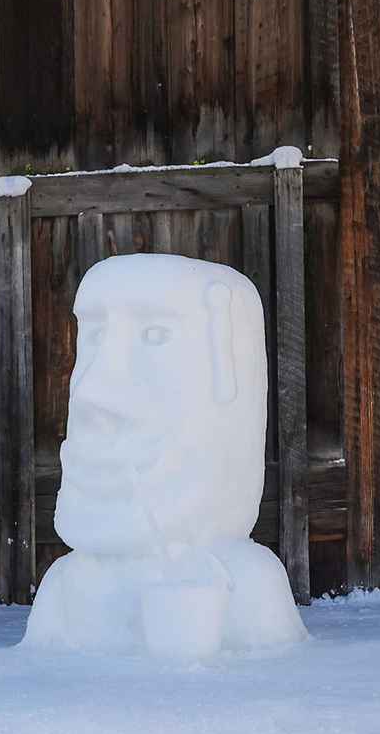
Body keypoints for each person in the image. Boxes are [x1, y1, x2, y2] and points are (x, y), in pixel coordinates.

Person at [24, 253, 307, 654]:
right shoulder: (65, 588)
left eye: (154, 335)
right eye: (95, 337)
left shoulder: (241, 583)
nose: (90, 390)